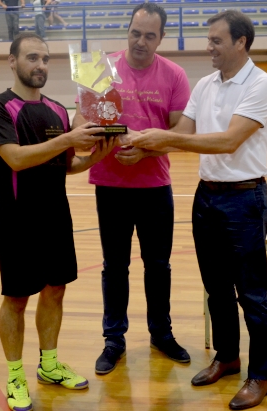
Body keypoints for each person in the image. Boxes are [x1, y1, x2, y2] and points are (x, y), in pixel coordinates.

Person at [129, 9, 267, 410]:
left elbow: (228, 141)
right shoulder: (206, 84)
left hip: (244, 199)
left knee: (252, 294)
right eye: (209, 39)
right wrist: (141, 143)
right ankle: (228, 357)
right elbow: (182, 134)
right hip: (206, 196)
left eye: (216, 40)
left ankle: (261, 375)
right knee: (216, 290)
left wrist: (159, 139)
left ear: (240, 43)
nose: (208, 47)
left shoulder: (261, 84)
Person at [0, 33, 117, 411]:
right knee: (17, 298)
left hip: (57, 216)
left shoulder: (58, 110)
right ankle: (14, 375)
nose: (40, 65)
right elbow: (17, 159)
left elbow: (63, 165)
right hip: (18, 219)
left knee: (56, 289)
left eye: (46, 59)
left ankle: (50, 366)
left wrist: (93, 158)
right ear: (12, 61)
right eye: (32, 57)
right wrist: (69, 139)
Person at [70, 2, 191, 375]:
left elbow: (181, 135)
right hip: (110, 186)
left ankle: (161, 334)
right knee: (114, 267)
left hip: (155, 187)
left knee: (159, 266)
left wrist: (145, 149)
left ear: (161, 38)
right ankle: (114, 340)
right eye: (135, 33)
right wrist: (98, 136)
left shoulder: (174, 75)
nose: (141, 41)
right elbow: (78, 129)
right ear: (128, 30)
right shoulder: (99, 69)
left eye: (149, 35)